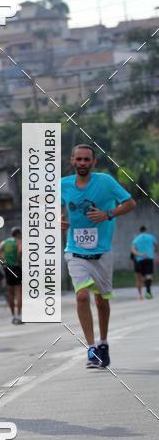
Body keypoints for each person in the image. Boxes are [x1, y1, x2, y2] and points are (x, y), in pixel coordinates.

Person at [61, 144, 135, 368]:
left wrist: (108, 214)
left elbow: (130, 203)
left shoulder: (105, 182)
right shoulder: (62, 185)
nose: (82, 163)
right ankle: (91, 348)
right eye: (79, 159)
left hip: (102, 252)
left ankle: (103, 342)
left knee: (101, 301)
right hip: (75, 251)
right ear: (72, 161)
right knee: (82, 296)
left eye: (87, 160)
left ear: (93, 162)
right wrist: (57, 220)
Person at [0, 227, 23, 324]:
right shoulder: (19, 241)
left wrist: (3, 262)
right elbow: (20, 251)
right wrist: (18, 259)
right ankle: (19, 316)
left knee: (11, 292)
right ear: (18, 234)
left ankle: (13, 316)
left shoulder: (4, 242)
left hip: (7, 268)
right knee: (19, 292)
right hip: (16, 267)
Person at [131, 225, 157, 300]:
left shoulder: (136, 239)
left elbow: (133, 250)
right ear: (146, 230)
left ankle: (140, 295)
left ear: (140, 231)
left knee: (139, 278)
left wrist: (140, 254)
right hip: (149, 258)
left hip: (139, 260)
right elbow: (156, 246)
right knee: (148, 275)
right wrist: (154, 252)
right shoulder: (151, 237)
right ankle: (148, 291)